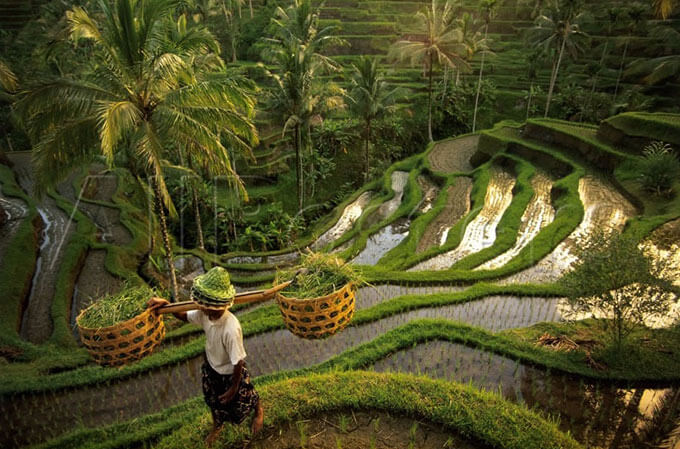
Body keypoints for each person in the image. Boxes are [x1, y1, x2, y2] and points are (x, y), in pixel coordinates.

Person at [148, 267, 264, 445]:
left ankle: (259, 411)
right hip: (211, 365)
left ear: (218, 305)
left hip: (231, 371)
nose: (202, 308)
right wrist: (166, 305)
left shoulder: (231, 328)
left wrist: (233, 388)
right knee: (212, 399)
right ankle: (217, 424)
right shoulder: (204, 313)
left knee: (245, 396)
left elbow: (238, 361)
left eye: (206, 306)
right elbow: (184, 316)